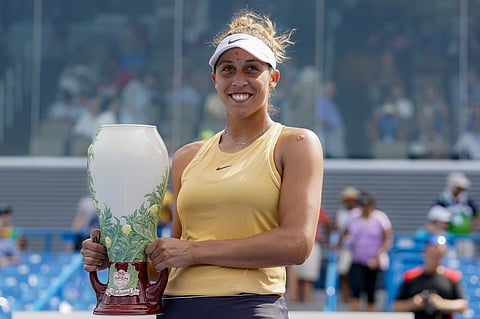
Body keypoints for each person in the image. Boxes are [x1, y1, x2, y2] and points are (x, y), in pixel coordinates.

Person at [81, 9, 324, 319]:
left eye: (251, 69)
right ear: (214, 79)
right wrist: (116, 254)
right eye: (228, 69)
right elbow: (175, 252)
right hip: (176, 307)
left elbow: (296, 244)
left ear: (273, 78)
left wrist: (193, 251)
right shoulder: (186, 157)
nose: (239, 81)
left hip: (249, 307)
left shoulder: (296, 144)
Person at [336, 191, 393, 312]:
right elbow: (345, 233)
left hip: (374, 260)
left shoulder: (380, 218)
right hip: (357, 258)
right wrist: (339, 247)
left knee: (371, 291)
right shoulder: (353, 216)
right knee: (356, 288)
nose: (365, 208)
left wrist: (379, 255)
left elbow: (387, 239)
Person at [392, 235, 468, 319]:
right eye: (432, 254)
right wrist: (413, 303)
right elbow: (396, 306)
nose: (434, 258)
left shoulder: (452, 277)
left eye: (438, 255)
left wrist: (441, 304)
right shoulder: (411, 276)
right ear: (424, 253)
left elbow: (462, 305)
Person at [286, 206, 331, 304]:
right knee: (294, 274)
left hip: (310, 243)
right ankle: (295, 298)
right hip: (295, 242)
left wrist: (326, 238)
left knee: (307, 278)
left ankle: (306, 300)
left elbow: (327, 223)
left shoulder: (314, 205)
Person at [433, 171, 479, 258]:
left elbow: (477, 214)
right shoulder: (443, 200)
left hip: (464, 237)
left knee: (466, 258)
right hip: (447, 237)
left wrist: (471, 229)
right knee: (449, 259)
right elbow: (434, 216)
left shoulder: (467, 201)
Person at [334, 186, 360, 303]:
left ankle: (353, 297)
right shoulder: (340, 214)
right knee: (343, 274)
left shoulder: (359, 213)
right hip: (345, 249)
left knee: (353, 275)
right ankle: (345, 297)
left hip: (357, 249)